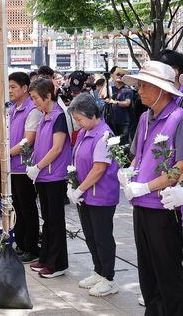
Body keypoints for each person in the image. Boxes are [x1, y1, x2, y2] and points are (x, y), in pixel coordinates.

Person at [118, 61, 183, 315]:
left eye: (145, 86)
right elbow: (139, 154)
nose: (140, 90)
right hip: (141, 205)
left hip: (162, 206)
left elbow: (180, 166)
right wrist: (128, 172)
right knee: (147, 272)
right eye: (140, 85)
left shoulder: (178, 117)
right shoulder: (145, 117)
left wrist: (146, 186)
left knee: (168, 272)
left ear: (162, 90)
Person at [67, 93, 120, 297]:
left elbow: (99, 169)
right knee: (90, 235)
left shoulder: (106, 135)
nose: (78, 123)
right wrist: (74, 186)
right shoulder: (84, 132)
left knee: (102, 237)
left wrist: (80, 189)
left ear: (91, 114)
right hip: (86, 195)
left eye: (79, 119)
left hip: (101, 195)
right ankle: (98, 271)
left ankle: (109, 277)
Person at [26, 77, 71, 279]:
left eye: (36, 98)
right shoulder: (45, 116)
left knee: (55, 221)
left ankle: (58, 263)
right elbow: (40, 146)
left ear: (48, 96)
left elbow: (57, 148)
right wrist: (33, 163)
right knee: (48, 219)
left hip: (54, 175)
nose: (34, 102)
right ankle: (45, 258)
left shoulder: (58, 116)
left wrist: (38, 166)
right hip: (43, 176)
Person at [7, 71, 42, 263]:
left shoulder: (32, 109)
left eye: (13, 87)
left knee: (27, 208)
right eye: (9, 87)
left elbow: (28, 140)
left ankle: (31, 247)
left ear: (25, 88)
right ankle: (20, 244)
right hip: (12, 167)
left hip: (23, 167)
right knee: (17, 209)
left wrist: (8, 154)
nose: (10, 91)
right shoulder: (13, 108)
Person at [106, 69, 133, 145]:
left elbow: (127, 103)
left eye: (122, 75)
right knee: (113, 144)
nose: (119, 76)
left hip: (123, 122)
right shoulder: (111, 89)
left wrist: (115, 102)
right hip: (112, 121)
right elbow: (102, 95)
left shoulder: (127, 90)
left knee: (123, 144)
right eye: (118, 74)